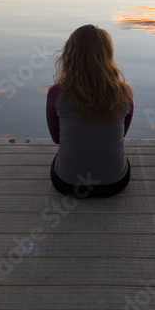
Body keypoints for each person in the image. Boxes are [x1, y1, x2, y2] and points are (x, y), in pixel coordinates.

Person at [46, 25, 133, 198]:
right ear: (106, 55)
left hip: (67, 184)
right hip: (115, 184)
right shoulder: (124, 92)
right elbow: (120, 134)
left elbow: (57, 139)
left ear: (70, 55)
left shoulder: (56, 93)